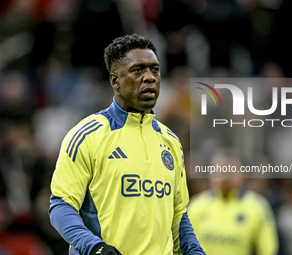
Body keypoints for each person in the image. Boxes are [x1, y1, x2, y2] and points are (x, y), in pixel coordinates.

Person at [48, 34, 206, 255]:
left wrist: (195, 252)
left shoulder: (170, 141)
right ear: (115, 81)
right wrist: (94, 247)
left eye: (155, 70)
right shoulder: (86, 135)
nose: (150, 77)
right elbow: (61, 207)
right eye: (138, 70)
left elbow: (178, 216)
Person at [188, 151, 278, 255]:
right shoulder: (196, 206)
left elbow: (268, 250)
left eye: (231, 172)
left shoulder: (257, 207)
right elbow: (183, 246)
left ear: (242, 174)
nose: (225, 178)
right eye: (220, 171)